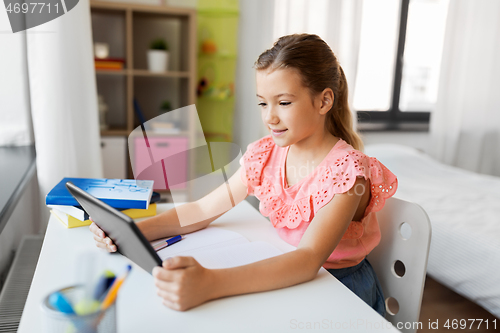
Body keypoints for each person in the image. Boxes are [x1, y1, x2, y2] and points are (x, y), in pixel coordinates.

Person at [90, 33, 397, 315]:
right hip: (290, 272)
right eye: (263, 103)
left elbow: (307, 260)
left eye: (284, 103)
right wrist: (133, 233)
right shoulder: (267, 155)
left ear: (324, 101)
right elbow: (202, 209)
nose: (270, 117)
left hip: (337, 290)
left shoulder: (347, 173)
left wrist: (210, 283)